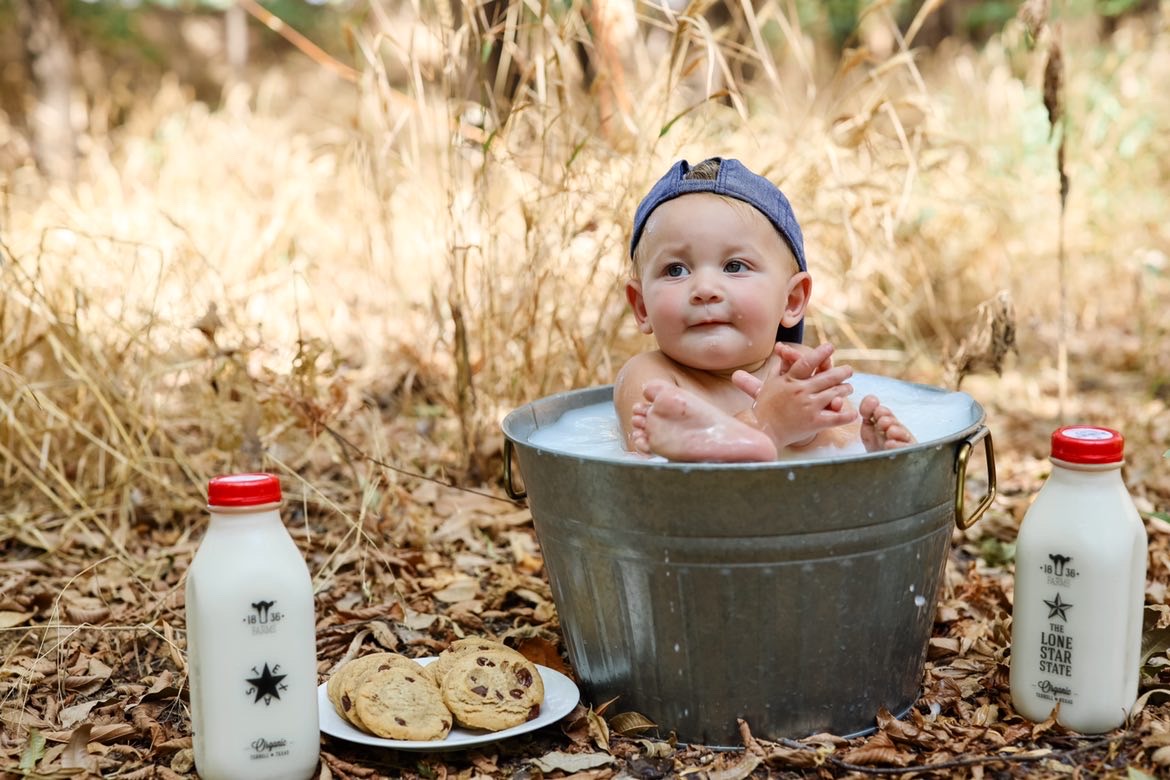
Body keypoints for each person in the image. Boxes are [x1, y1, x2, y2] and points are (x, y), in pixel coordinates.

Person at [613, 157, 915, 462]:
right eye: (675, 270)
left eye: (734, 266)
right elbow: (646, 474)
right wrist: (767, 423)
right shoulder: (650, 377)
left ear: (793, 299)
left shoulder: (794, 371)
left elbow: (838, 449)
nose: (704, 289)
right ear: (641, 306)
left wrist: (872, 449)